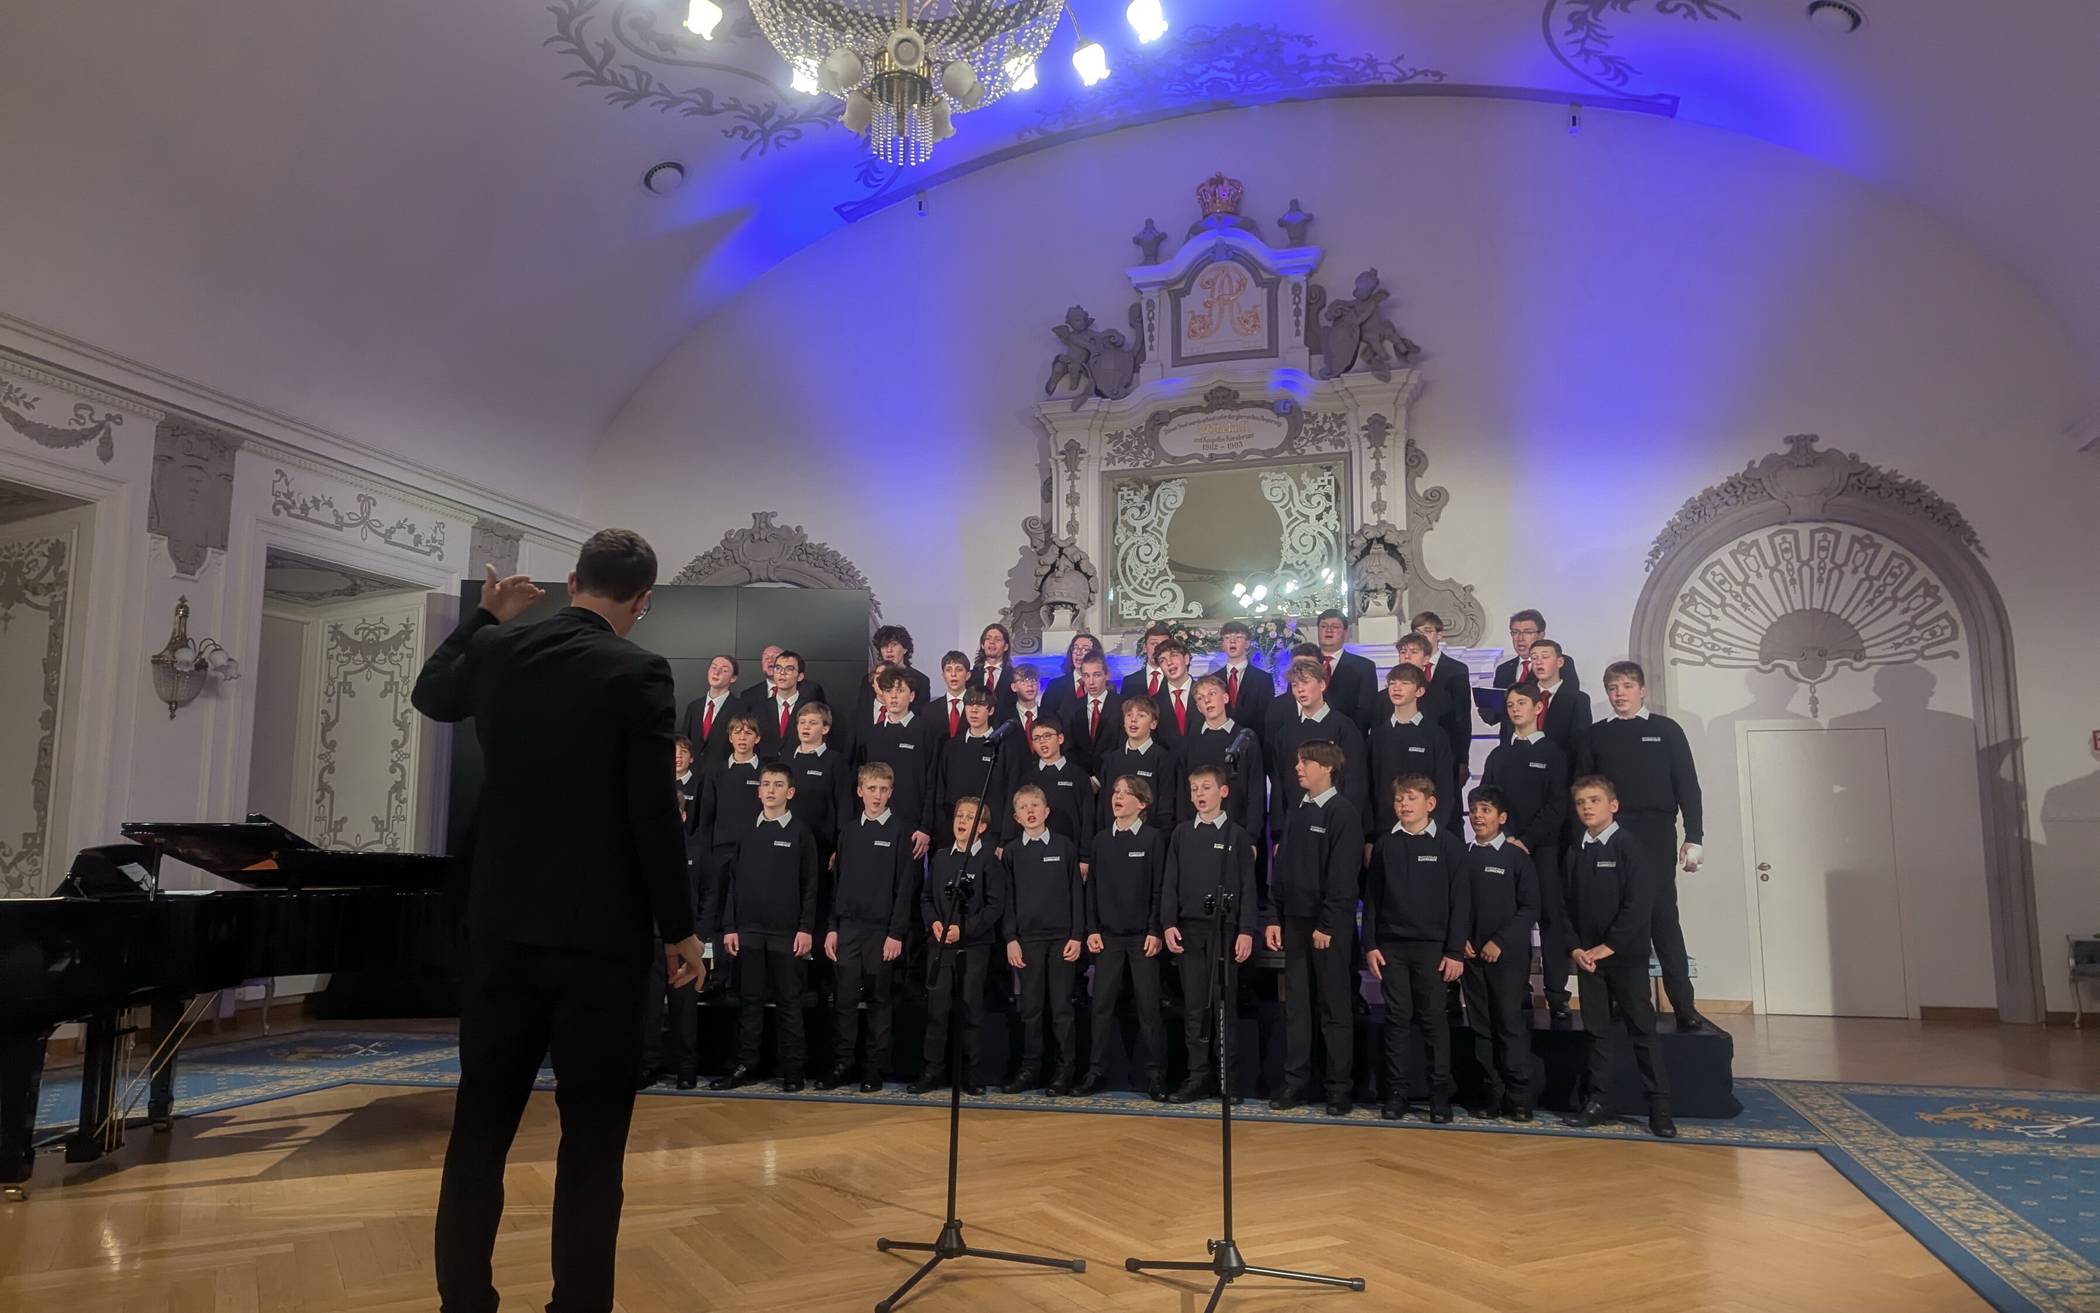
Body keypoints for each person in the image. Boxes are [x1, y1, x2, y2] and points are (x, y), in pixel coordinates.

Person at [413, 536, 706, 1313]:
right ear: (643, 601)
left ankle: (464, 1302)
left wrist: (482, 615)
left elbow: (431, 694)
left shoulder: (500, 648)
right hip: (599, 942)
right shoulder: (637, 669)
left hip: (500, 928)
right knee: (593, 1141)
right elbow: (653, 813)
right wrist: (680, 927)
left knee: (479, 1127)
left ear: (573, 581)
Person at [1583, 661, 1709, 1031]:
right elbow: (1585, 788)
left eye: (1626, 686)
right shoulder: (1596, 735)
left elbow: (1688, 785)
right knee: (1615, 916)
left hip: (1655, 832)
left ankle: (1684, 1005)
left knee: (1661, 917)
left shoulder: (1666, 730)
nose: (1619, 694)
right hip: (1610, 834)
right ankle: (1624, 1002)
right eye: (1612, 688)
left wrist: (1695, 836)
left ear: (1642, 690)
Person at [1562, 777, 1676, 1139]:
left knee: (1642, 1031)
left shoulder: (1630, 846)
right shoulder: (1574, 850)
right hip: (1588, 960)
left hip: (1625, 957)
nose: (1586, 808)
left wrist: (1608, 946)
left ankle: (1659, 1107)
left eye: (1594, 801)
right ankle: (1598, 1101)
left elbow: (1639, 904)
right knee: (1596, 1033)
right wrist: (1576, 948)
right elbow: (1565, 906)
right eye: (1580, 803)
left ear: (1613, 805)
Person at [1266, 741, 1365, 1116]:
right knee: (1297, 1008)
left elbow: (1343, 878)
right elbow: (1284, 868)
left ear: (1327, 768)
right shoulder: (1297, 810)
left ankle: (1339, 1087)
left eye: (1305, 761)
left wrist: (1327, 923)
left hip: (1329, 928)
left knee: (1334, 1007)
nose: (1298, 768)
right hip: (1294, 922)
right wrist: (1274, 916)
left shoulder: (1343, 813)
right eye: (1297, 761)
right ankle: (1296, 1082)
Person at [1363, 774, 1468, 1122]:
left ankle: (1440, 1094)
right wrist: (1371, 943)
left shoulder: (1450, 846)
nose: (1404, 805)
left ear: (1430, 803)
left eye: (1411, 799)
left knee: (1434, 1020)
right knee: (1396, 1020)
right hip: (1392, 947)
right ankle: (1396, 1092)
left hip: (1433, 950)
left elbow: (1460, 902)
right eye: (1399, 800)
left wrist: (1454, 951)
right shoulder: (1386, 844)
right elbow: (1373, 897)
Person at [709, 764, 819, 1093]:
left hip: (787, 933)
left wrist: (805, 929)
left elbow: (811, 885)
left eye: (778, 784)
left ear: (791, 792)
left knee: (789, 1002)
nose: (771, 790)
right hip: (749, 931)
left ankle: (793, 1070)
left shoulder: (801, 833)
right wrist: (730, 927)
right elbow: (733, 884)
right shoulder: (746, 832)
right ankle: (747, 1065)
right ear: (758, 791)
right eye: (766, 784)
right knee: (750, 1001)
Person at [1161, 765, 1258, 1103]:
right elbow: (1170, 882)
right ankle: (1196, 1076)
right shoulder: (1181, 834)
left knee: (1222, 1006)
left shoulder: (1237, 835)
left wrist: (1246, 930)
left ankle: (1227, 1079)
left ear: (1223, 792)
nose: (1199, 795)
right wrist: (1168, 923)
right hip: (1189, 930)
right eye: (1194, 790)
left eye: (1206, 788)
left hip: (1225, 932)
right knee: (1194, 1008)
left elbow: (1248, 886)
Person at [820, 763, 917, 1093]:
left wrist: (896, 933)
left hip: (881, 932)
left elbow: (905, 888)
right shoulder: (848, 831)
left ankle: (874, 1068)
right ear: (860, 791)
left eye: (883, 789)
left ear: (891, 793)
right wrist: (833, 926)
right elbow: (839, 883)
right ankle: (842, 1063)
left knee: (879, 1002)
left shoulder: (901, 832)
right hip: (847, 929)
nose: (877, 795)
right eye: (871, 789)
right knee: (844, 1000)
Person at [1480, 682, 1572, 1022]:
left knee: (1550, 919)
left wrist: (1527, 840)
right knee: (1510, 922)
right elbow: (1486, 799)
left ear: (1538, 708)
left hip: (1542, 850)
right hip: (1505, 851)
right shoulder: (1498, 754)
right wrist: (1502, 838)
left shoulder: (1553, 753)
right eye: (1510, 704)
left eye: (1522, 702)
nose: (1515, 709)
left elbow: (1557, 805)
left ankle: (1557, 995)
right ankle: (1517, 990)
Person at [908, 801, 1006, 1096]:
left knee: (970, 1009)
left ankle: (971, 1072)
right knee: (937, 1010)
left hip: (973, 946)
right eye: (959, 816)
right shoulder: (940, 858)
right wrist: (935, 924)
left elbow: (994, 905)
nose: (962, 821)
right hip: (939, 945)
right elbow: (925, 898)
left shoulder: (989, 860)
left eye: (970, 817)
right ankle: (932, 1070)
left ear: (983, 827)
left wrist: (963, 929)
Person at [1079, 776, 1169, 1099]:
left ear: (1141, 804)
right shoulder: (1101, 840)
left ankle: (1156, 1076)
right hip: (1108, 938)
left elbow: (1160, 888)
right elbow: (1090, 891)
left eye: (1126, 793)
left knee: (1148, 1009)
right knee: (1100, 1007)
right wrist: (1091, 929)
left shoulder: (1153, 839)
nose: (1117, 797)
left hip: (1143, 938)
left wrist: (1155, 929)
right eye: (1115, 792)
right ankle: (1096, 1071)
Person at [1460, 786, 1539, 1122]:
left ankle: (1519, 1097)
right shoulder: (1462, 856)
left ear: (1502, 818)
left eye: (1487, 810)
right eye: (1475, 809)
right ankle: (1491, 1093)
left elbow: (1530, 908)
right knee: (1482, 1027)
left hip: (1507, 958)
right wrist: (1459, 939)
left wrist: (1500, 942)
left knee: (1509, 1024)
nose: (1479, 816)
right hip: (1471, 957)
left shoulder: (1516, 857)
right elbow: (1454, 904)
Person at [1002, 785, 1086, 1095]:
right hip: (1028, 941)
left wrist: (1077, 935)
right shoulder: (1012, 852)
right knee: (1030, 1009)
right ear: (1016, 816)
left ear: (1046, 811)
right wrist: (1011, 938)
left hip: (1061, 939)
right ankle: (1030, 1069)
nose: (1030, 811)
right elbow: (1007, 899)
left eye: (1035, 805)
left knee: (1062, 1008)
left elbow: (1077, 893)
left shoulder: (1064, 847)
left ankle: (1064, 1071)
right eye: (1023, 807)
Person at [1267, 656, 1371, 820]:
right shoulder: (1285, 733)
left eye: (1305, 682)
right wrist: (1278, 833)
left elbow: (1355, 781)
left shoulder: (1344, 727)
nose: (1300, 689)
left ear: (1322, 684)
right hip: (1296, 822)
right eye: (1295, 685)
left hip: (1335, 821)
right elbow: (1279, 785)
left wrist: (1348, 823)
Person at [853, 668, 936, 859]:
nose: (894, 697)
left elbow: (932, 781)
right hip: (876, 818)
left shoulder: (924, 730)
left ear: (912, 696)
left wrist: (925, 826)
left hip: (911, 824)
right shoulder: (873, 733)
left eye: (900, 691)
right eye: (889, 691)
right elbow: (865, 779)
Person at [1368, 665, 1456, 832]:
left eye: (1405, 683)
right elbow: (1370, 785)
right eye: (1392, 683)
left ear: (1419, 691)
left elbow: (1444, 786)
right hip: (1384, 830)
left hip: (1426, 828)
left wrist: (1435, 826)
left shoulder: (1435, 735)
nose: (1397, 688)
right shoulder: (1377, 736)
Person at [1180, 674, 1264, 840]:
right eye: (1200, 698)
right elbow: (1183, 790)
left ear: (1225, 697)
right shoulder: (1189, 744)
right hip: (1198, 829)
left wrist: (1252, 835)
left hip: (1238, 829)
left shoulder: (1245, 739)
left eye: (1212, 694)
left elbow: (1256, 789)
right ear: (1198, 707)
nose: (1207, 701)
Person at [1008, 719, 1094, 864]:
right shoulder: (1027, 778)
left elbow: (1088, 819)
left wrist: (1085, 857)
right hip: (1033, 853)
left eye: (1047, 736)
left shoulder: (1078, 776)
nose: (1042, 742)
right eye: (1036, 738)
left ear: (1060, 738)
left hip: (1070, 853)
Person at [935, 689, 1017, 835]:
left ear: (990, 710)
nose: (974, 710)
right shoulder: (951, 746)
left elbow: (1009, 793)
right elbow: (941, 789)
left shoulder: (1003, 748)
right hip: (954, 830)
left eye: (980, 705)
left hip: (991, 831)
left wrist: (1004, 837)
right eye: (969, 704)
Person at [1410, 612, 1476, 794]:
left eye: (1428, 631)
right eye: (1417, 632)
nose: (1422, 636)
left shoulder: (1456, 670)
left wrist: (1463, 759)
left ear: (1439, 635)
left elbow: (1462, 717)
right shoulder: (1407, 670)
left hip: (1447, 752)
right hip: (1413, 751)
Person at [1098, 697, 1185, 828]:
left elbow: (1166, 804)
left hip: (1150, 836)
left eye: (1141, 715)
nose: (1133, 719)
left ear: (1153, 724)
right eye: (1129, 715)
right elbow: (1104, 805)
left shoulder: (1164, 759)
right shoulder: (1111, 760)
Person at [1483, 610, 1579, 728]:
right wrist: (1489, 712)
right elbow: (1500, 712)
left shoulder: (1560, 663)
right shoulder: (1504, 669)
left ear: (1541, 635)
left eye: (1528, 632)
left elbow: (1569, 702)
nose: (1520, 638)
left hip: (1547, 736)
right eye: (1515, 632)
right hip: (1511, 740)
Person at [1508, 639, 1590, 763]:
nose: (1539, 662)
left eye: (1545, 657)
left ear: (1560, 662)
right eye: (1534, 658)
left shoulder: (1577, 700)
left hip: (1561, 767)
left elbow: (1580, 744)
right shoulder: (1521, 698)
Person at [1312, 609, 1379, 729]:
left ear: (1346, 632)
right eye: (1323, 626)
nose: (1328, 630)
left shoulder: (1364, 667)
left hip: (1347, 736)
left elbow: (1366, 710)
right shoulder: (1305, 662)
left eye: (1335, 626)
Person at [1064, 652, 1125, 778]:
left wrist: (1098, 779)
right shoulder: (1071, 708)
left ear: (1106, 675)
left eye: (1096, 675)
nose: (1091, 682)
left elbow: (1122, 746)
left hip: (1112, 777)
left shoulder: (1122, 706)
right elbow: (1068, 747)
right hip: (1080, 778)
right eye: (1086, 676)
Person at [680, 654, 740, 768]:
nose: (716, 672)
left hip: (723, 775)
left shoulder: (740, 708)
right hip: (694, 776)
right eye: (713, 667)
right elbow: (684, 743)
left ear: (733, 678)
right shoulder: (694, 707)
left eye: (724, 670)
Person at [1213, 619, 1276, 729]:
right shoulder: (1213, 680)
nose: (1232, 641)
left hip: (1253, 740)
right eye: (1227, 638)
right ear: (1222, 644)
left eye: (1238, 637)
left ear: (1247, 644)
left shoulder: (1263, 679)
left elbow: (1267, 718)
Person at [755, 650, 815, 759]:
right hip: (767, 771)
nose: (782, 673)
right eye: (778, 668)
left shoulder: (811, 707)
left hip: (800, 768)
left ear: (800, 676)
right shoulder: (759, 708)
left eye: (789, 669)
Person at [1041, 632, 1102, 720]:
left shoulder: (1106, 686)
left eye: (1085, 649)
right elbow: (1046, 719)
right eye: (1075, 648)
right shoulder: (1055, 686)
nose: (1078, 653)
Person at [1151, 638, 1199, 750]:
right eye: (1162, 660)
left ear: (1186, 659)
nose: (1169, 662)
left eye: (1174, 655)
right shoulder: (1154, 703)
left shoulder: (1205, 695)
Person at [971, 622, 1021, 718]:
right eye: (988, 638)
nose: (991, 642)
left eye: (997, 639)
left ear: (1006, 646)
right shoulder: (970, 676)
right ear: (982, 644)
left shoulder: (1014, 676)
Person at [926, 651, 975, 741]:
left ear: (968, 675)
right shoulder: (929, 710)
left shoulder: (976, 707)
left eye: (959, 669)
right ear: (943, 675)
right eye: (948, 670)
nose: (953, 674)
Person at [1120, 622, 1172, 701]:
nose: (1158, 648)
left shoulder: (1177, 678)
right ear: (1144, 648)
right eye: (1153, 643)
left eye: (1164, 644)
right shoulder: (1130, 682)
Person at [1008, 666, 1048, 740]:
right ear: (1014, 687)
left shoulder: (1050, 716)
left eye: (1033, 680)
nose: (1030, 685)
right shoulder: (1004, 718)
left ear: (1039, 685)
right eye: (1023, 680)